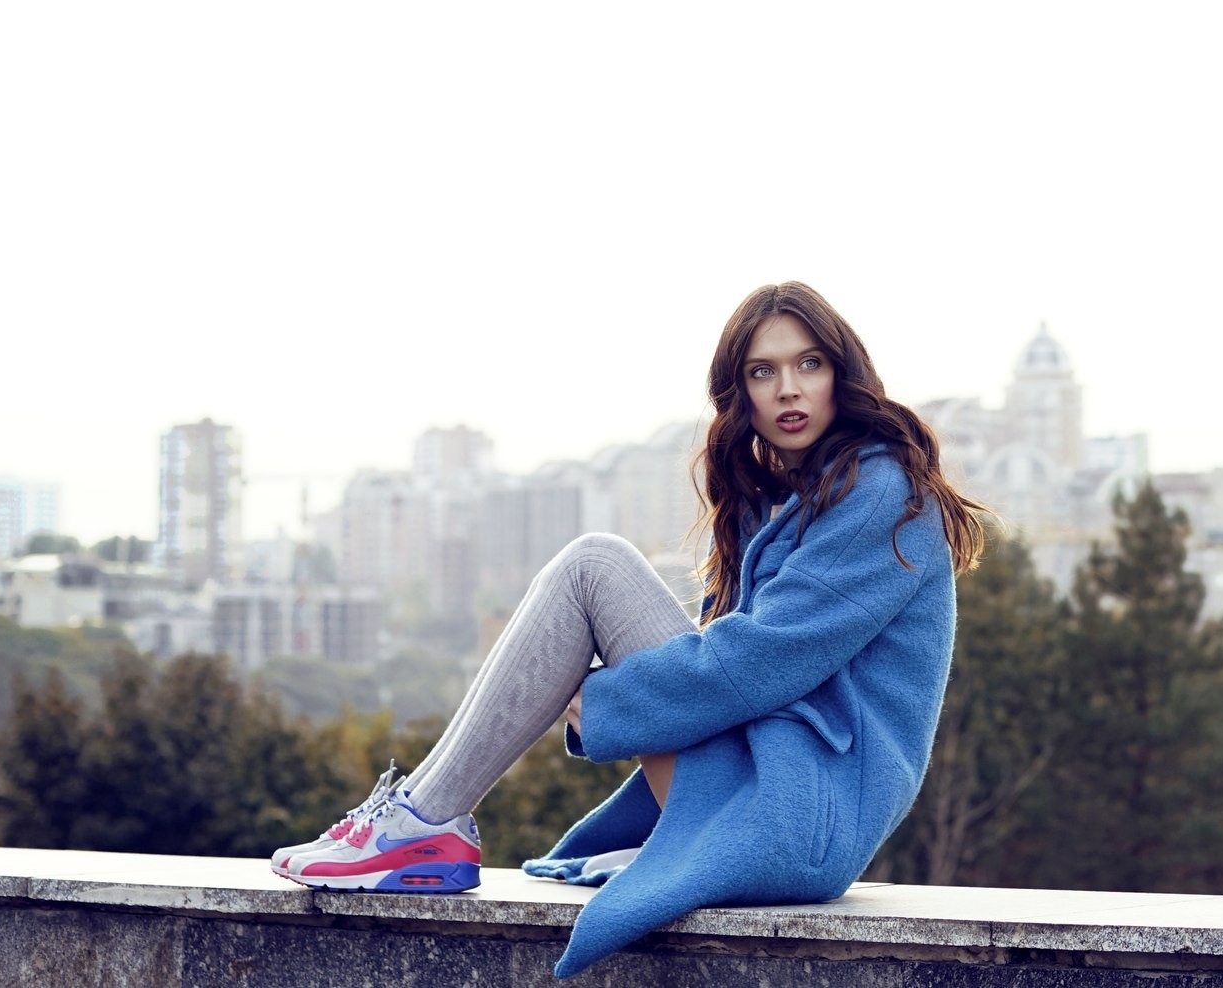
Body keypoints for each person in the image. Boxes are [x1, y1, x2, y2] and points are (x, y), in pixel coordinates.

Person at [269, 281, 986, 978]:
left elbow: (761, 661)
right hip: (787, 795)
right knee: (595, 566)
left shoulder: (879, 492)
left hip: (800, 814)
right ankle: (416, 818)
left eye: (809, 363)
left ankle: (419, 824)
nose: (788, 389)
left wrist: (610, 697)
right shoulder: (792, 498)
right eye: (762, 371)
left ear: (842, 372)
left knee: (595, 567)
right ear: (739, 393)